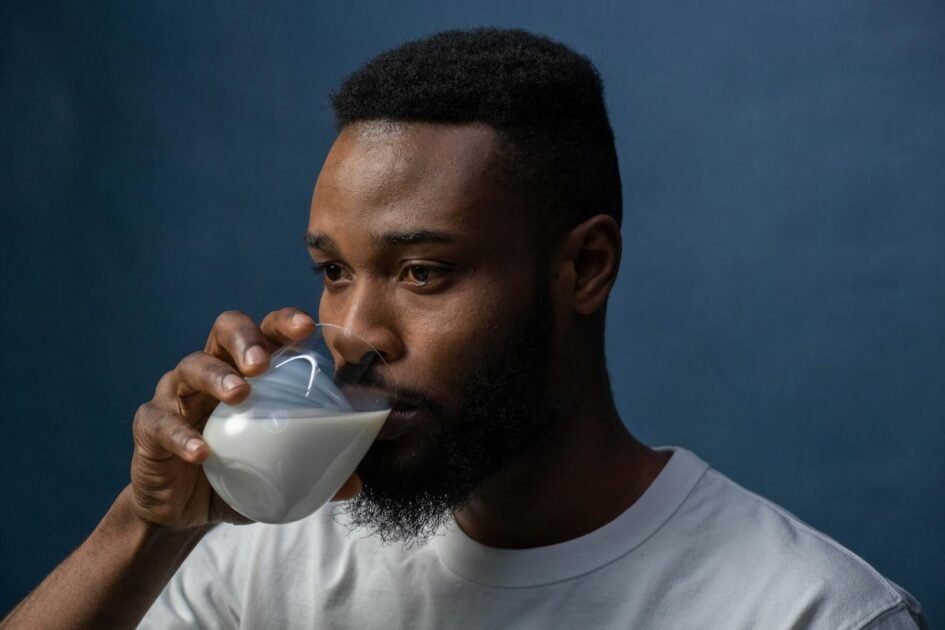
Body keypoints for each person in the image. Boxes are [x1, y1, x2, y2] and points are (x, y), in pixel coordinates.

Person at [1, 28, 929, 630]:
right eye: (332, 271)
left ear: (584, 269)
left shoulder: (805, 612)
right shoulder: (267, 553)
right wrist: (149, 528)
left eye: (421, 273)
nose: (353, 332)